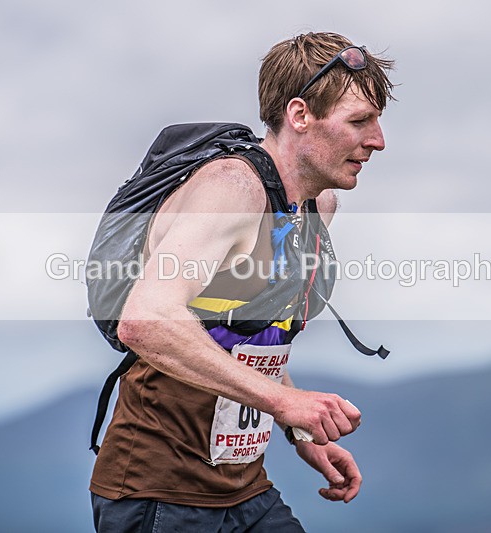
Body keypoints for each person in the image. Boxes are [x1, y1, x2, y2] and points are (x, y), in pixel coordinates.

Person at [90, 31, 395, 532]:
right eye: (360, 121)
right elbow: (145, 320)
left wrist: (300, 430)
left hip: (243, 488)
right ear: (300, 116)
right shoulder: (233, 189)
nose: (378, 140)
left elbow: (251, 335)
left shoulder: (316, 206)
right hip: (157, 495)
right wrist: (284, 402)